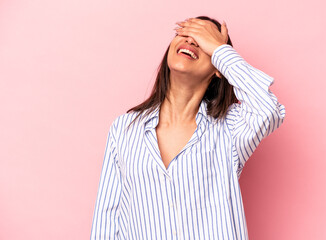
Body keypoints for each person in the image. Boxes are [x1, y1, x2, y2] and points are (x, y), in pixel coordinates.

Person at [90, 16, 285, 240]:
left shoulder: (230, 130)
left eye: (202, 40)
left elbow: (269, 109)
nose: (191, 42)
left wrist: (221, 51)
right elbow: (107, 220)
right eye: (185, 34)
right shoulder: (124, 129)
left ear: (218, 69)